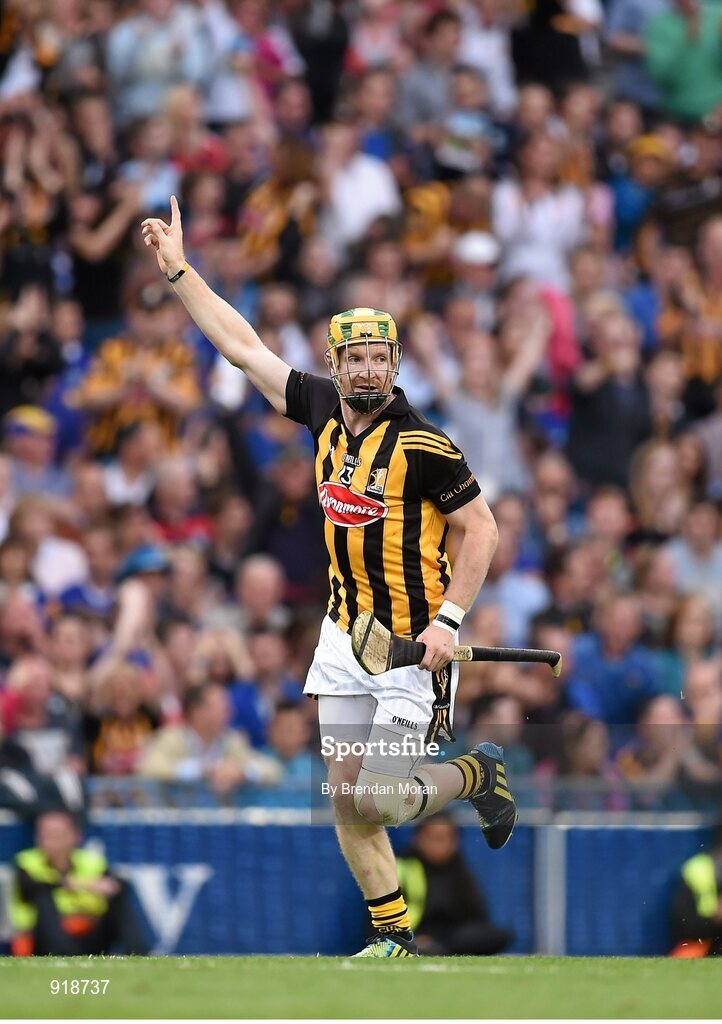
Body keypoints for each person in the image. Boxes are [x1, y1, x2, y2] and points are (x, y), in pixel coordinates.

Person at [141, 197, 516, 959]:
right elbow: (243, 348)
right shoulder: (318, 409)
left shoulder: (425, 444)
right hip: (345, 635)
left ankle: (477, 772)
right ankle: (393, 938)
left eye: (382, 356)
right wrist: (179, 271)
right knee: (346, 796)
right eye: (357, 357)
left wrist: (449, 621)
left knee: (380, 796)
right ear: (337, 364)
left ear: (395, 364)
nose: (369, 367)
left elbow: (483, 529)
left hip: (411, 646)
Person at [9, 809, 147, 955]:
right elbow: (29, 887)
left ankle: (139, 953)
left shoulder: (92, 861)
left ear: (76, 836)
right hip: (43, 937)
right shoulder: (27, 862)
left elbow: (118, 884)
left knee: (118, 898)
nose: (51, 840)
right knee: (43, 899)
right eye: (45, 834)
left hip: (89, 931)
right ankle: (62, 955)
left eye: (58, 834)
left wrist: (111, 886)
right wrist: (80, 884)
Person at [396, 813, 512, 956]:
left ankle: (438, 950)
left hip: (452, 937)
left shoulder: (460, 870)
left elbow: (478, 918)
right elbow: (380, 920)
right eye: (434, 838)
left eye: (445, 839)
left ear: (455, 842)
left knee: (497, 935)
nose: (439, 845)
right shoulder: (401, 868)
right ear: (417, 839)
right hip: (414, 935)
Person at [670, 818, 722, 957]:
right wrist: (714, 918)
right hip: (707, 942)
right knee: (687, 952)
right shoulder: (699, 869)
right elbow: (683, 924)